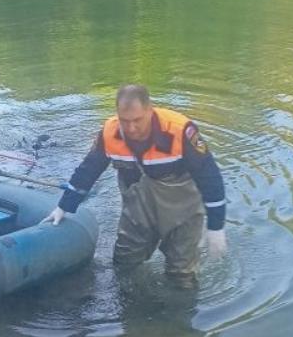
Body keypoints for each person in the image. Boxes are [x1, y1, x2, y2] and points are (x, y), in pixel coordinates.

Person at [45, 84, 227, 285]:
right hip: (138, 209)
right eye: (125, 121)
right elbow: (89, 170)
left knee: (181, 274)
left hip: (182, 209)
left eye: (137, 120)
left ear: (150, 110)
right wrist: (64, 206)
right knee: (124, 264)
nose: (131, 128)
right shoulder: (109, 133)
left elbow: (210, 176)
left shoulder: (180, 130)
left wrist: (215, 227)